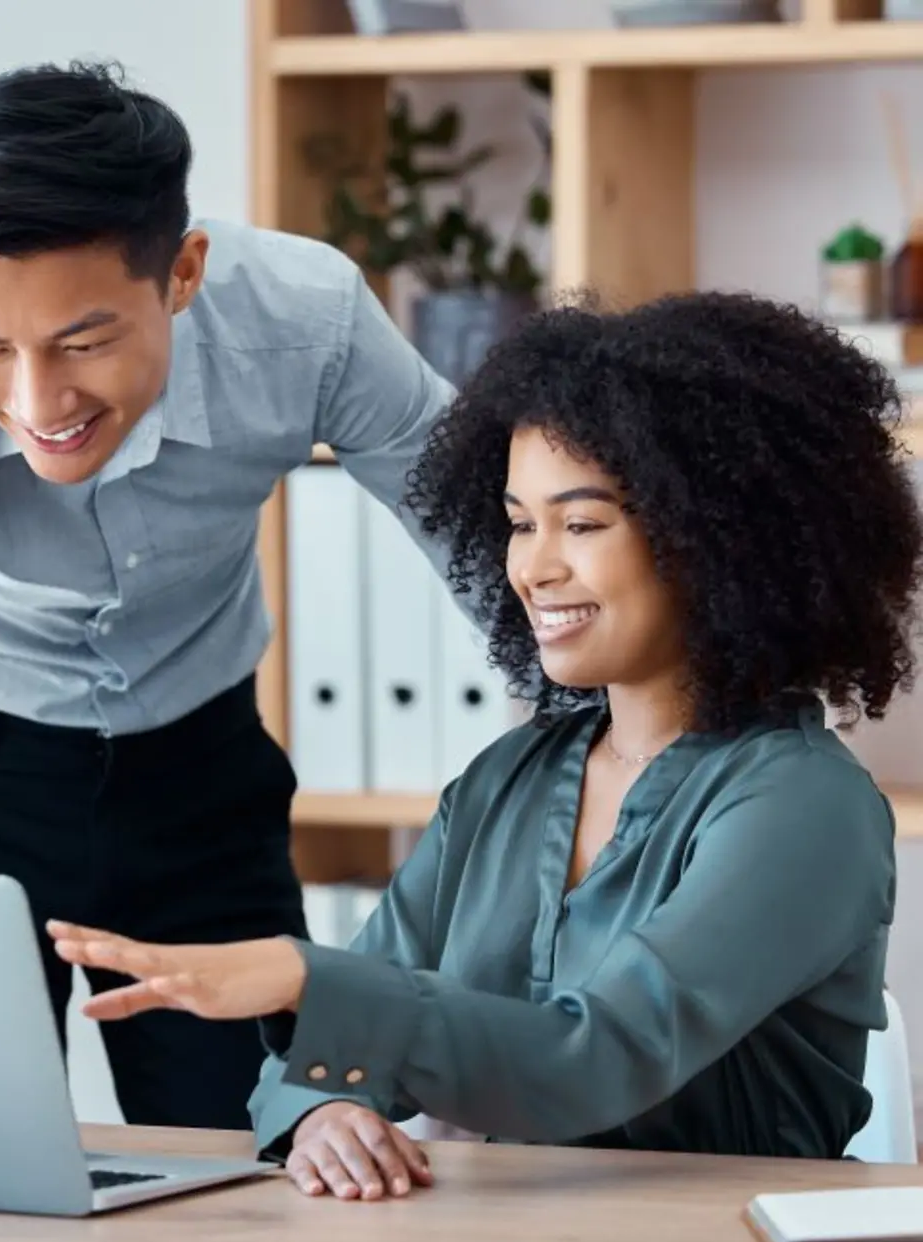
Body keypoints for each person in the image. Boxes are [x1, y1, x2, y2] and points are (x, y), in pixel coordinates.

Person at [47, 290, 923, 1194]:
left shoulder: (806, 809)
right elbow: (308, 1066)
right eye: (518, 522)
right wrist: (326, 1114)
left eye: (581, 525)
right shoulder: (510, 780)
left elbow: (596, 1059)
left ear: (722, 538)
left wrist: (305, 983)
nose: (533, 569)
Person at [0, 61, 453, 1131]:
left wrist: (601, 760)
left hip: (200, 779)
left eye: (83, 342)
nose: (34, 400)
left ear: (182, 272)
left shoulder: (307, 319)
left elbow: (484, 531)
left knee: (254, 1152)